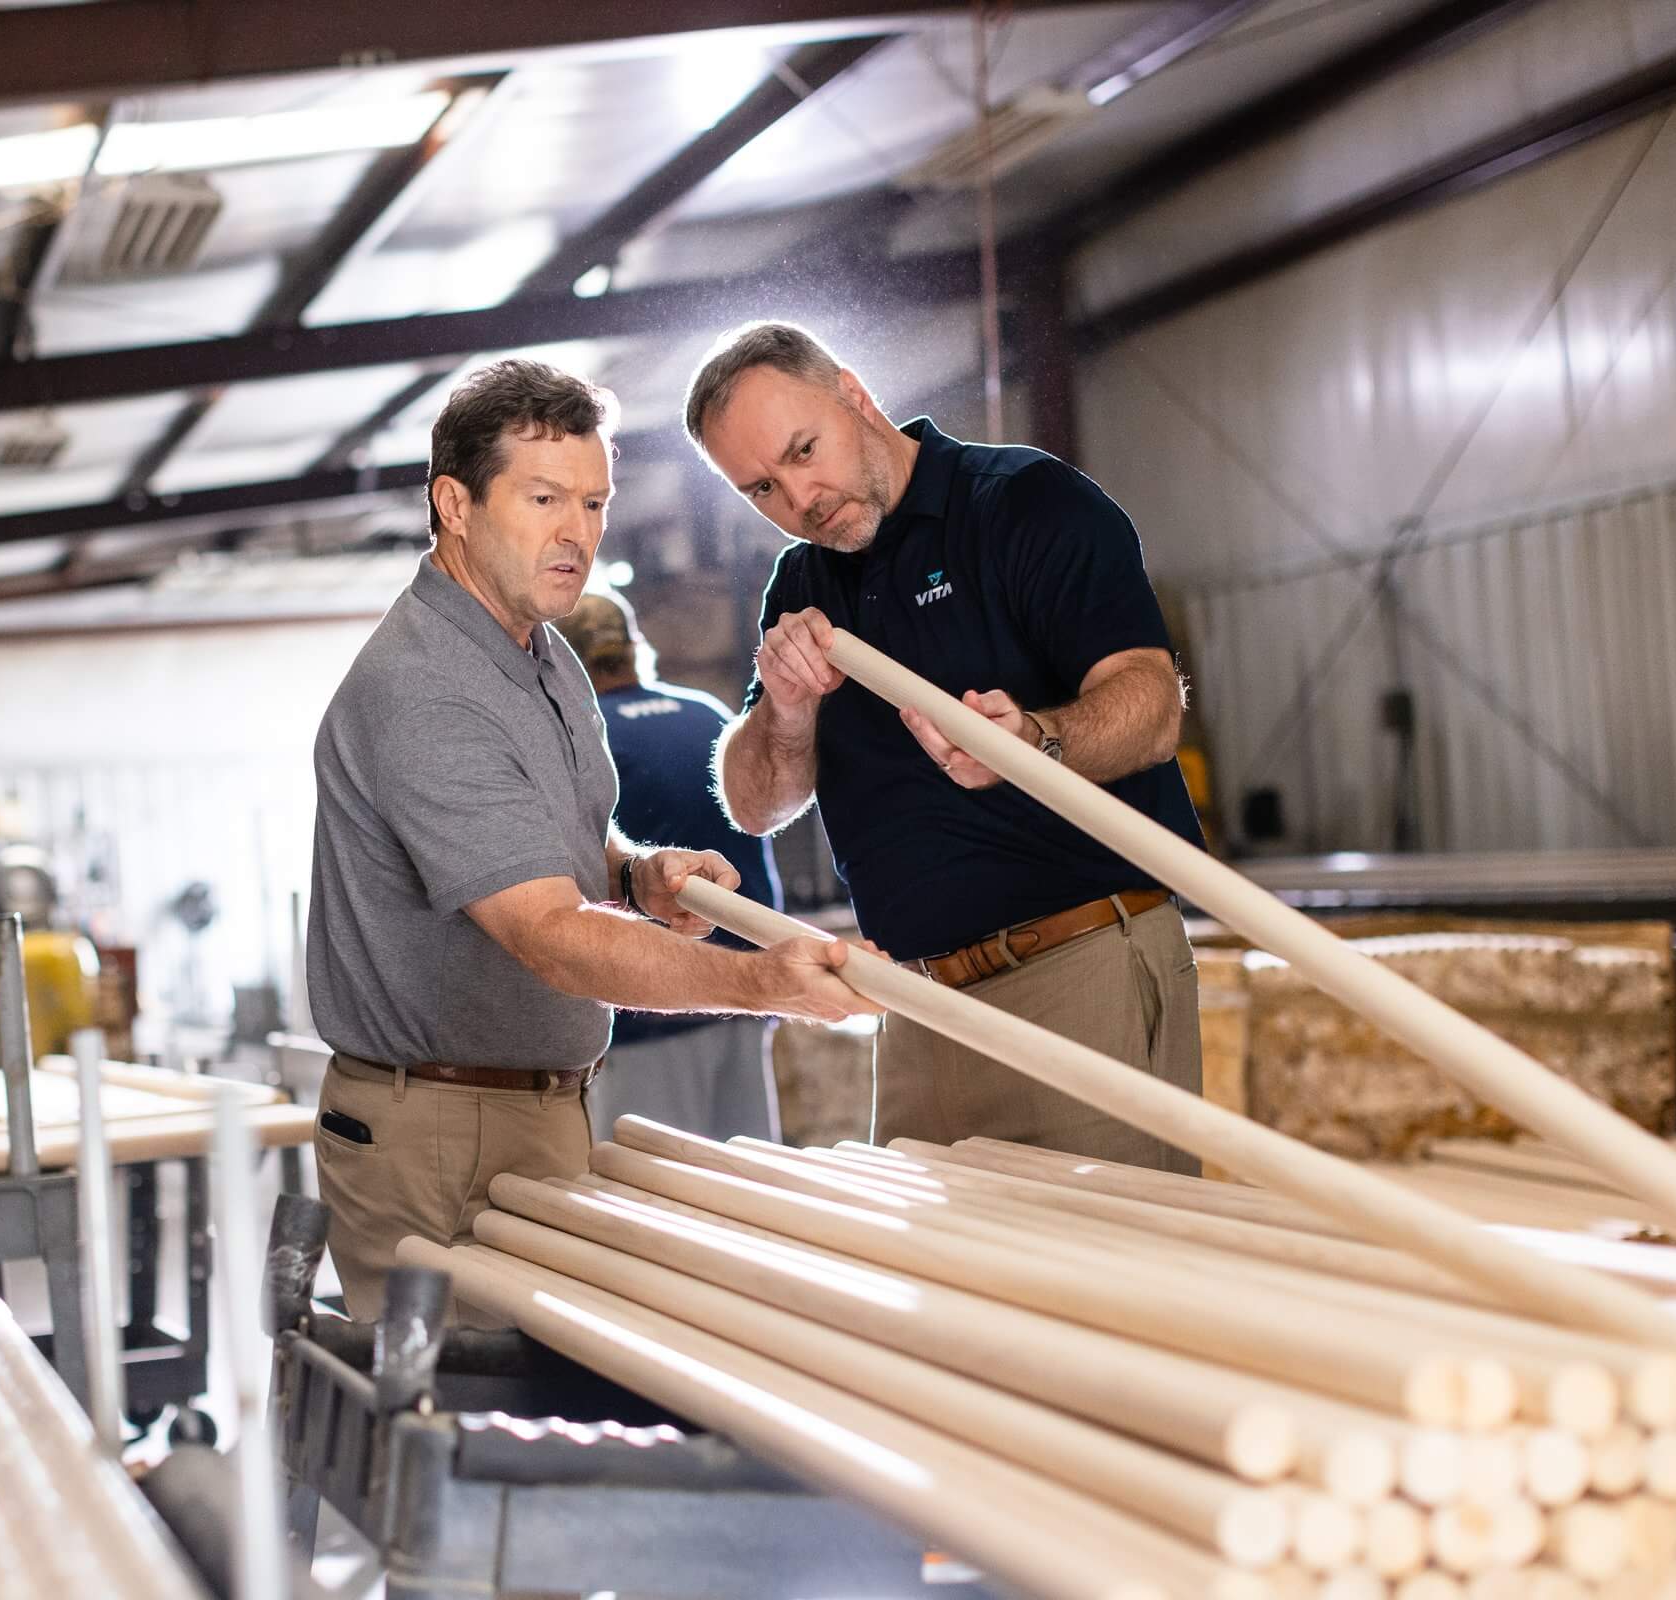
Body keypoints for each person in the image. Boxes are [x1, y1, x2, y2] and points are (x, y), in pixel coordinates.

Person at [306, 357, 882, 1318]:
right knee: (454, 1424)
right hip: (438, 1129)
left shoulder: (540, 648)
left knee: (541, 1410)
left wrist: (634, 873)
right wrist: (756, 977)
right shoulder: (423, 690)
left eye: (593, 503)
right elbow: (549, 934)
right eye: (543, 498)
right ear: (454, 503)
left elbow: (559, 840)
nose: (577, 533)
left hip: (537, 1104)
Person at [686, 321, 1204, 1170]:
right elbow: (757, 804)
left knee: (1111, 1286)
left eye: (805, 450)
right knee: (948, 1294)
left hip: (1075, 970)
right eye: (762, 490)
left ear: (854, 393)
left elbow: (1150, 707)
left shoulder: (1023, 502)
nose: (800, 499)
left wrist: (1038, 742)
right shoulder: (801, 582)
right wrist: (783, 710)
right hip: (916, 1003)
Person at [555, 590, 784, 1145]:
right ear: (635, 648)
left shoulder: (583, 737)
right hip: (745, 989)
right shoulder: (706, 714)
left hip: (650, 1007)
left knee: (655, 1199)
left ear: (561, 660)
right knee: (752, 1183)